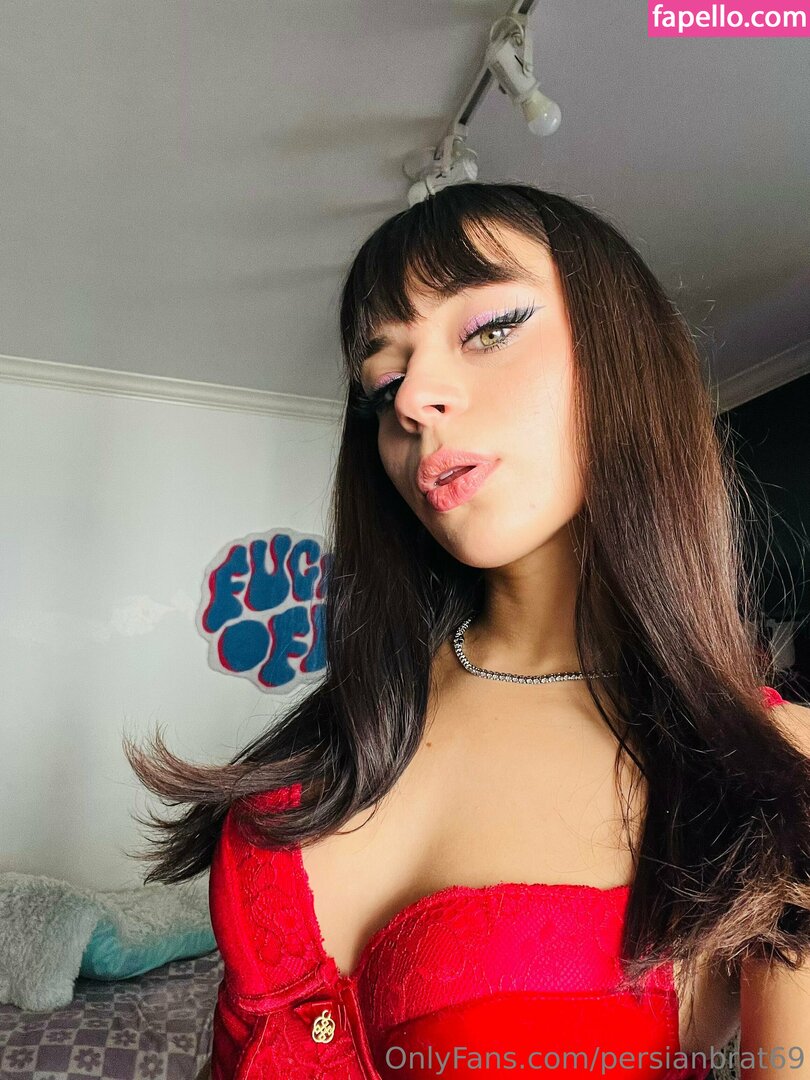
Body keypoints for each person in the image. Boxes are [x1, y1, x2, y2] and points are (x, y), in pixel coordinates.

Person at [124, 183, 810, 1079]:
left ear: (622, 352)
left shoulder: (767, 770)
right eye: (382, 382)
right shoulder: (344, 736)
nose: (412, 400)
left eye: (487, 329)